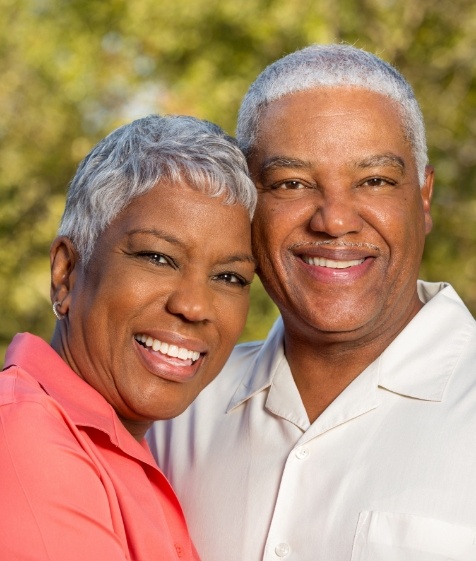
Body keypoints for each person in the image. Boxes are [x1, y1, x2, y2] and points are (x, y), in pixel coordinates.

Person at [148, 45, 476, 561]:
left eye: (374, 181)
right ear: (247, 204)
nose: (335, 220)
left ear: (424, 195)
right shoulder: (174, 408)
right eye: (291, 183)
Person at [0, 114, 257, 560]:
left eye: (229, 277)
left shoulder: (126, 446)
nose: (194, 306)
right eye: (158, 257)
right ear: (66, 272)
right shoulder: (22, 439)